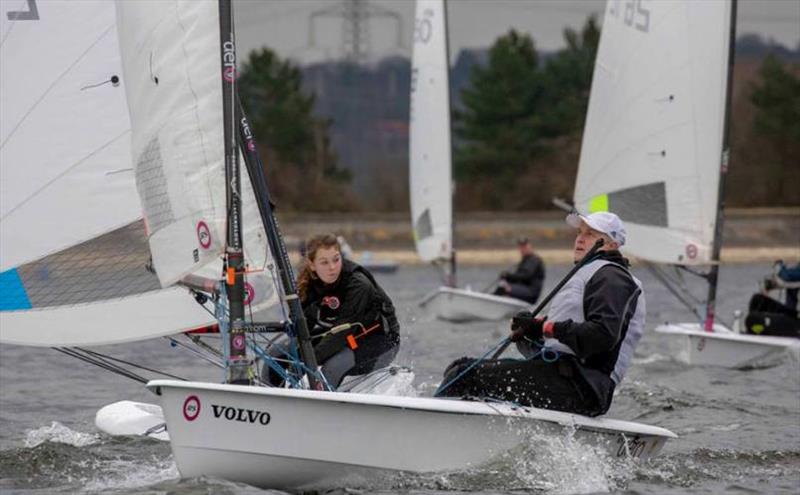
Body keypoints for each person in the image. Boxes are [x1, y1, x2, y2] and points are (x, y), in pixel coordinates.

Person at [438, 212, 645, 417]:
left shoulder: (613, 277)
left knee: (465, 375)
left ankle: (432, 428)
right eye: (579, 233)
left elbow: (602, 335)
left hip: (582, 388)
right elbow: (569, 336)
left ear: (611, 245)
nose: (580, 239)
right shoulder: (595, 273)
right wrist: (532, 330)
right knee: (461, 367)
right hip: (564, 377)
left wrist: (545, 328)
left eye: (590, 234)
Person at [266, 234, 400, 388]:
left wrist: (305, 362)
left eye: (336, 259)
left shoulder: (358, 285)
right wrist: (294, 355)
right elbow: (303, 326)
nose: (332, 267)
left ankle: (320, 407)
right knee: (277, 354)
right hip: (343, 336)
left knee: (330, 368)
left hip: (380, 341)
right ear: (312, 265)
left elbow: (341, 334)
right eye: (324, 262)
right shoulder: (307, 283)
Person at [493, 237, 545, 304]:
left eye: (525, 247)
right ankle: (491, 301)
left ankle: (489, 303)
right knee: (502, 286)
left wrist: (508, 276)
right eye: (521, 247)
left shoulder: (534, 260)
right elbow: (518, 278)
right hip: (524, 290)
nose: (523, 249)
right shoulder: (525, 261)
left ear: (530, 247)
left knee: (504, 288)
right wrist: (506, 277)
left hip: (531, 293)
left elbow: (526, 275)